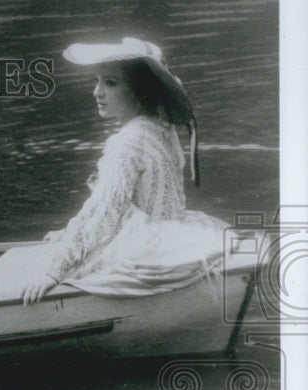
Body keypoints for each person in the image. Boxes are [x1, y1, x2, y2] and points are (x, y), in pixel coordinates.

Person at [18, 37, 227, 305]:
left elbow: (104, 212)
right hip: (173, 234)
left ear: (140, 92)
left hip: (147, 249)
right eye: (97, 81)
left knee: (31, 267)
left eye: (110, 83)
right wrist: (69, 232)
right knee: (65, 242)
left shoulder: (127, 143)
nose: (97, 92)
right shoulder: (159, 129)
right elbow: (131, 206)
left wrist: (54, 273)